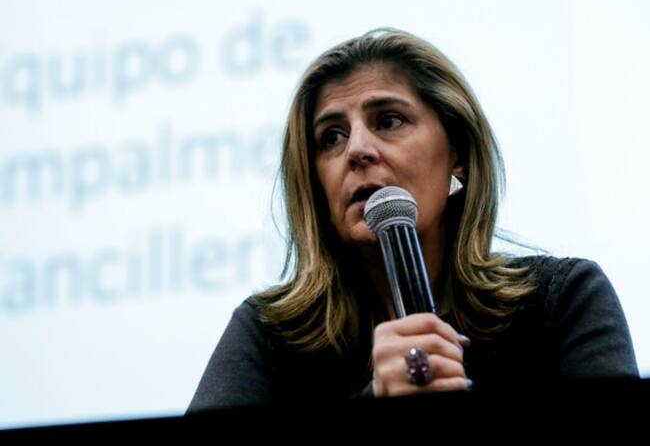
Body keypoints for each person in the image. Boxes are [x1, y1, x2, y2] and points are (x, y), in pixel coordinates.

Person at [186, 28, 638, 411]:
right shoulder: (269, 337)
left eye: (388, 121)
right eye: (332, 137)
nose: (357, 150)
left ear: (458, 154)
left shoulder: (562, 302)